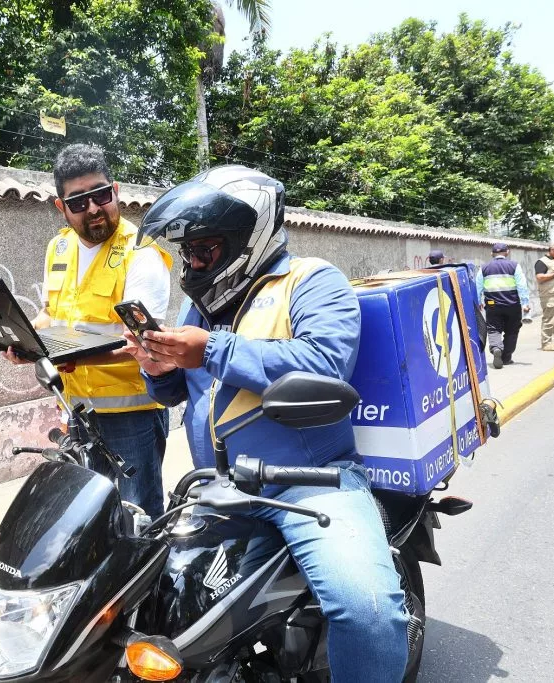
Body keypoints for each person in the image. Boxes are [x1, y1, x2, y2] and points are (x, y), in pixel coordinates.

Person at [123, 166, 410, 681]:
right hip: (218, 490)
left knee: (367, 610)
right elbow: (181, 392)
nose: (192, 263)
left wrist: (208, 349)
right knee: (163, 611)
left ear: (245, 238)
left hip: (310, 484)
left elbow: (325, 362)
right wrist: (159, 368)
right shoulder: (200, 308)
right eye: (186, 253)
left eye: (203, 249)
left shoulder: (312, 280)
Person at [3, 144, 172, 519]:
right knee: (89, 519)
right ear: (60, 207)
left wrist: (69, 354)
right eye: (78, 202)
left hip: (133, 415)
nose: (93, 208)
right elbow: (53, 314)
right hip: (78, 410)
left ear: (115, 192)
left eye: (100, 195)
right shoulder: (58, 248)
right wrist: (28, 338)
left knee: (136, 518)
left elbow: (144, 342)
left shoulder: (141, 253)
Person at [475, 243, 531, 369]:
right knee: (512, 330)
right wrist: (525, 304)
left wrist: (479, 303)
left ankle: (496, 348)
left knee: (493, 328)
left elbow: (478, 287)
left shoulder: (483, 268)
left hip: (492, 304)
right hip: (513, 304)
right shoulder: (514, 266)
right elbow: (522, 286)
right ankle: (506, 357)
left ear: (492, 253)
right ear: (507, 252)